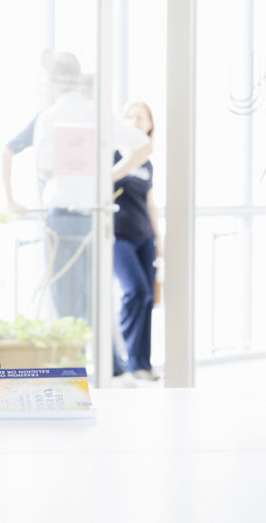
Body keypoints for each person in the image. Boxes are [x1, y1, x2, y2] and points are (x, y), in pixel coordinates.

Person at [2, 52, 150, 376]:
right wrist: (106, 176)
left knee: (65, 305)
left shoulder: (50, 115)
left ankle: (73, 374)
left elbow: (43, 168)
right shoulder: (98, 114)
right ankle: (104, 374)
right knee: (95, 299)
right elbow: (143, 147)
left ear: (53, 81)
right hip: (95, 217)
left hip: (61, 218)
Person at [114, 101, 162, 381]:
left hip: (144, 237)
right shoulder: (114, 155)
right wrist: (129, 162)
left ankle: (143, 364)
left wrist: (158, 239)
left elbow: (150, 203)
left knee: (147, 299)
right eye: (128, 117)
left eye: (139, 117)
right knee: (135, 292)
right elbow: (102, 183)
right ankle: (131, 361)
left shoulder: (149, 164)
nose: (133, 121)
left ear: (149, 124)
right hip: (118, 237)